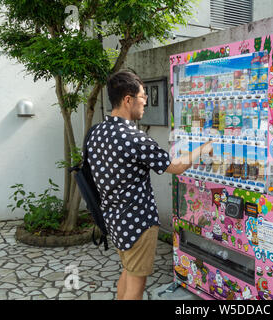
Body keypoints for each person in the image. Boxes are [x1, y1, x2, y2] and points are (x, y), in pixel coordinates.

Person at [87, 70, 212, 300]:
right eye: (142, 96)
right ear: (128, 99)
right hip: (138, 224)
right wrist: (204, 148)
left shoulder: (97, 132)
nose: (145, 101)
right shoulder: (135, 138)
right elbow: (174, 166)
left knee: (127, 271)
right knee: (135, 285)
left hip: (114, 220)